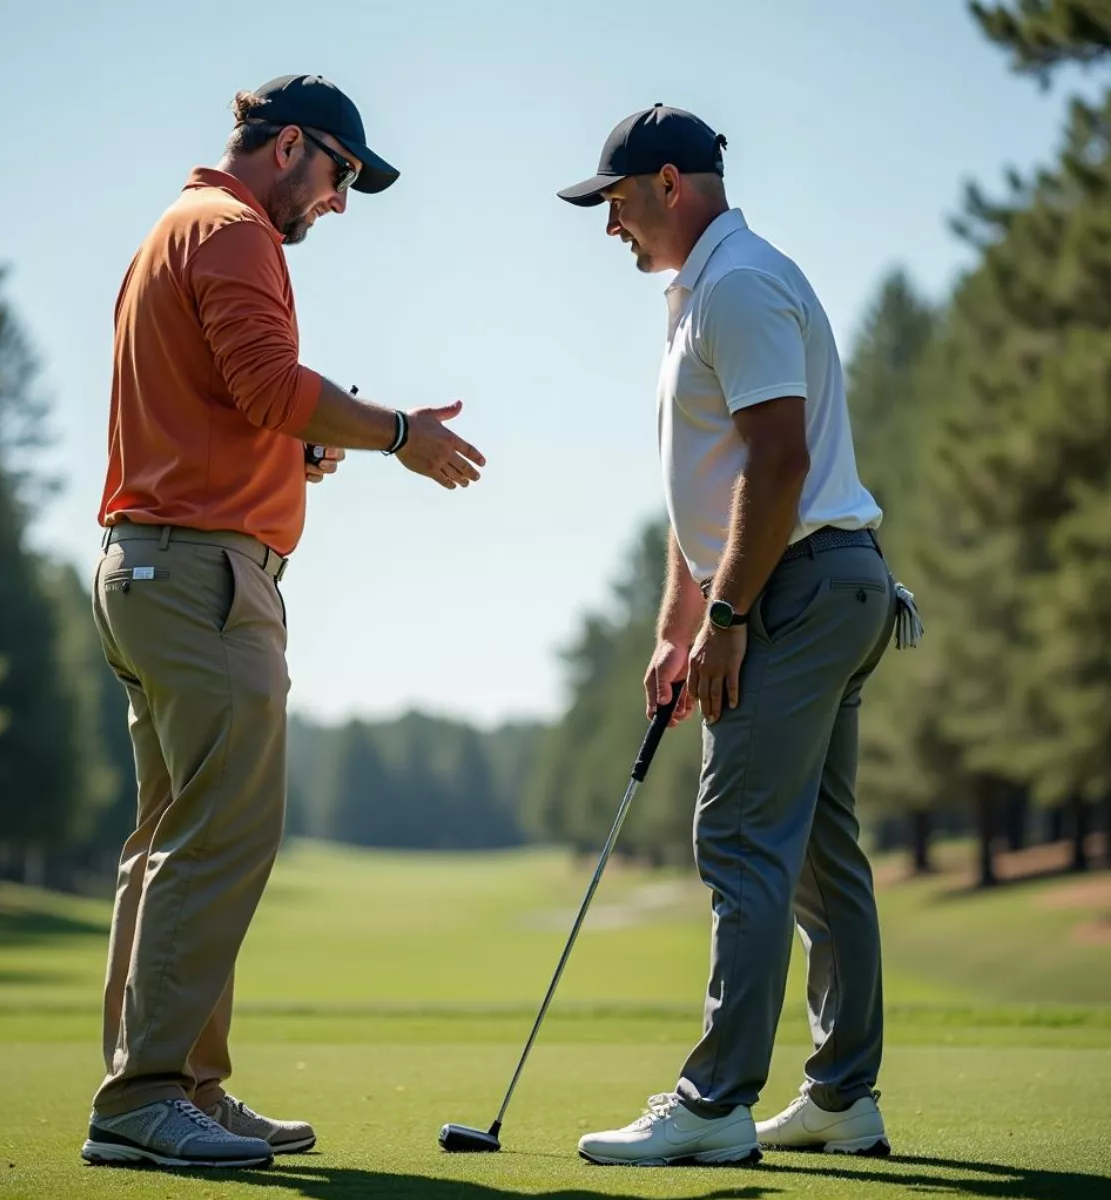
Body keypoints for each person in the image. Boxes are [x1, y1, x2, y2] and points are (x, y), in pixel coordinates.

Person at [82, 73, 486, 1171]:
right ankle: (146, 1094)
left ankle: (183, 1088)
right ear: (292, 146)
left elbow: (226, 401)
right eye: (342, 175)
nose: (342, 201)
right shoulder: (233, 229)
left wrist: (301, 445)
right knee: (222, 840)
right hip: (201, 579)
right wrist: (397, 432)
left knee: (171, 844)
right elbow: (265, 385)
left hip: (153, 571)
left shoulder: (180, 228)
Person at [556, 104, 920, 1167]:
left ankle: (715, 1101)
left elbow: (778, 467)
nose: (609, 225)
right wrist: (679, 629)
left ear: (672, 183)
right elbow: (705, 494)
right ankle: (843, 1096)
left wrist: (725, 619)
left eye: (616, 203)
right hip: (819, 584)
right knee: (816, 850)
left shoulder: (742, 284)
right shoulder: (698, 296)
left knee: (742, 844)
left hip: (795, 589)